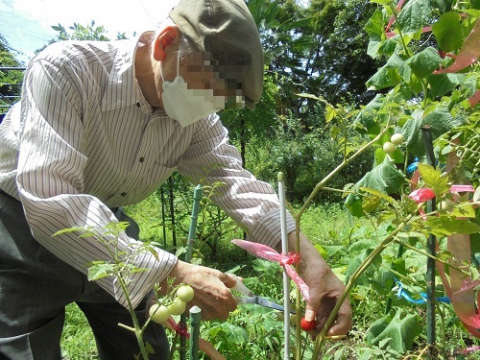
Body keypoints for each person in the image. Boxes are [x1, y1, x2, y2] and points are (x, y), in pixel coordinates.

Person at [0, 0, 352, 358]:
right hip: (21, 230)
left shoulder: (195, 119)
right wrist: (169, 272)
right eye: (207, 84)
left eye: (222, 96)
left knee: (145, 349)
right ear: (165, 42)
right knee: (24, 350)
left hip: (109, 224)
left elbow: (234, 183)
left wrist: (312, 266)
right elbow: (48, 198)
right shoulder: (68, 70)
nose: (212, 103)